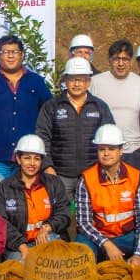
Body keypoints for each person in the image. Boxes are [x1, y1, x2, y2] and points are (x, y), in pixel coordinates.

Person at [73, 125, 140, 266]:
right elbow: (84, 223)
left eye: (111, 149)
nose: (106, 153)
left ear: (121, 151)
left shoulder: (135, 177)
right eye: (102, 149)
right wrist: (106, 244)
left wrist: (138, 255)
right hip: (98, 237)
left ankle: (122, 262)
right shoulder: (87, 179)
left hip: (126, 236)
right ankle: (105, 261)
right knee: (81, 253)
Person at [0, 35, 52, 181]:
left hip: (28, 158)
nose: (10, 56)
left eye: (15, 52)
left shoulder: (36, 82)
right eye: (5, 52)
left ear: (22, 55)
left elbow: (49, 112)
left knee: (26, 195)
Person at [35, 57, 114, 197]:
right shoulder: (51, 106)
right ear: (65, 80)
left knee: (92, 210)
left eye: (81, 80)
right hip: (60, 175)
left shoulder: (100, 107)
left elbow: (110, 139)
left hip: (93, 174)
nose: (76, 84)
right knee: (60, 210)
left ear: (88, 81)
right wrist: (47, 166)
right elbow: (42, 138)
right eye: (72, 79)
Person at [0, 134, 71, 261]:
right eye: (27, 158)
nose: (32, 163)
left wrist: (47, 227)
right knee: (22, 267)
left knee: (55, 262)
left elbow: (64, 213)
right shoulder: (5, 188)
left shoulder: (54, 183)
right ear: (18, 159)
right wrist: (21, 245)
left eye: (37, 159)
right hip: (17, 247)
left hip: (49, 238)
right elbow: (0, 222)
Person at [90, 39, 140, 170]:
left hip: (133, 151)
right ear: (109, 60)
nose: (121, 63)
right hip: (105, 150)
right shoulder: (95, 83)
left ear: (131, 61)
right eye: (116, 59)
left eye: (125, 59)